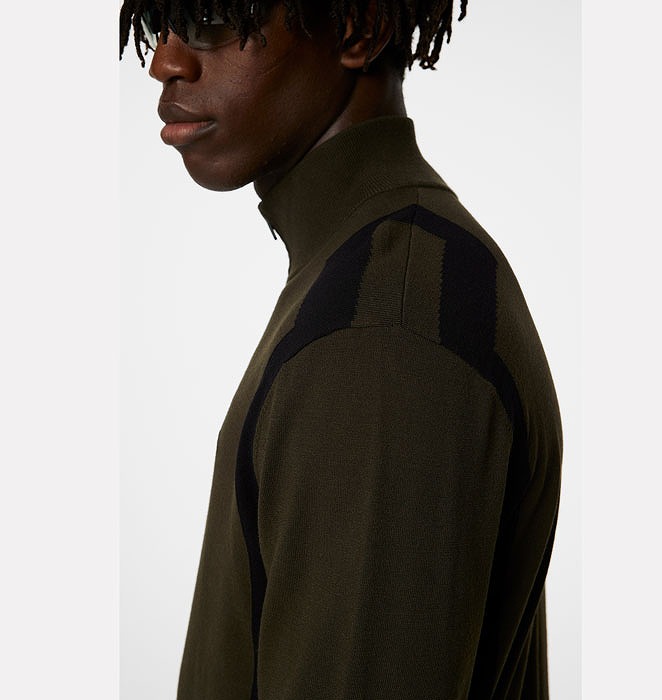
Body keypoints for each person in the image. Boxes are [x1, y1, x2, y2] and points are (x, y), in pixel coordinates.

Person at [119, 0, 563, 698]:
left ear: (358, 29)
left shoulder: (383, 333)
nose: (165, 61)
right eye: (161, 24)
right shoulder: (373, 272)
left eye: (211, 17)